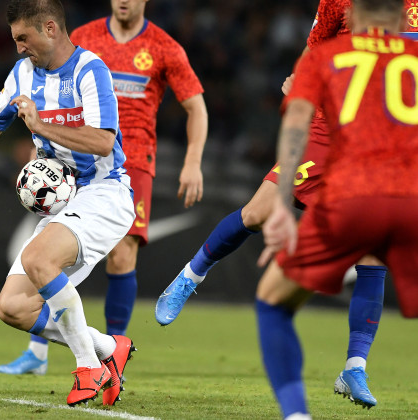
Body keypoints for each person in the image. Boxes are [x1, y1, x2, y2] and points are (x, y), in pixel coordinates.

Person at [155, 0, 418, 408]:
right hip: (327, 129)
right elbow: (315, 46)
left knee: (372, 256)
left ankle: (354, 367)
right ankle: (192, 274)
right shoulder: (337, 3)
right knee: (258, 212)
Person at [0, 0, 136, 407]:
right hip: (65, 202)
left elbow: (104, 140)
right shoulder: (23, 74)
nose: (18, 48)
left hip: (105, 193)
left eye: (22, 38)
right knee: (13, 307)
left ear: (50, 28)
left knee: (38, 261)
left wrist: (40, 125)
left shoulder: (90, 70)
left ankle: (88, 369)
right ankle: (107, 348)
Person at [0, 0, 208, 377]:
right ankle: (40, 350)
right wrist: (41, 146)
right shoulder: (85, 37)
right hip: (73, 161)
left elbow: (196, 106)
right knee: (46, 259)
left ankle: (114, 352)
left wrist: (192, 161)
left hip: (132, 161)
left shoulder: (164, 47)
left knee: (122, 256)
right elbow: (49, 81)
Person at [254, 1, 418, 417]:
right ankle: (355, 367)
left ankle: (297, 413)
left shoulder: (327, 57)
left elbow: (296, 126)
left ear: (354, 18)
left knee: (272, 301)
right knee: (373, 260)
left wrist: (281, 207)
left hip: (353, 199)